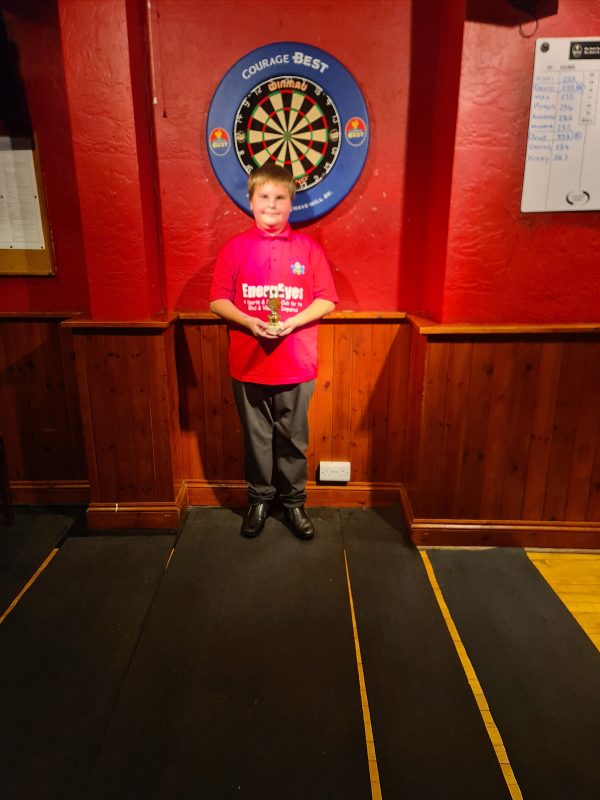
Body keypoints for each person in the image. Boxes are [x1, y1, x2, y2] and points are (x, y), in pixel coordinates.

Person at [209, 163, 337, 540]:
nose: (271, 204)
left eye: (280, 198)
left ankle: (294, 503)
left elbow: (328, 299)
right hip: (249, 364)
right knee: (256, 438)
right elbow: (217, 300)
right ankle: (259, 500)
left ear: (291, 203)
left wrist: (294, 321)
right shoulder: (235, 249)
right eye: (264, 197)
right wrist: (249, 321)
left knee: (294, 439)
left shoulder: (309, 250)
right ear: (250, 201)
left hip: (297, 364)